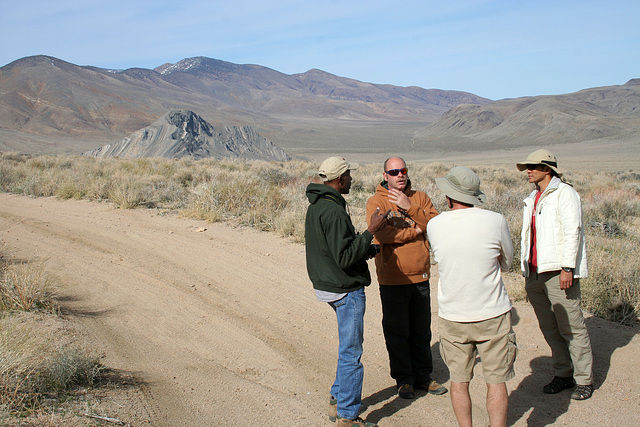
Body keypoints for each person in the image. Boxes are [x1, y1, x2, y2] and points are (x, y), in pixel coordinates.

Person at [427, 166, 516, 427]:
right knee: (496, 380)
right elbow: (507, 261)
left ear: (449, 196)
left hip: (453, 315)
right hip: (492, 312)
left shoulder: (435, 225)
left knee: (459, 379)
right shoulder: (496, 220)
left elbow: (439, 258)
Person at [305, 156, 390, 427]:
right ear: (339, 179)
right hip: (345, 288)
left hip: (328, 284)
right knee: (351, 352)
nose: (352, 179)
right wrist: (370, 233)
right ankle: (347, 415)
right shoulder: (332, 210)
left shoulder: (319, 206)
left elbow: (335, 248)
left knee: (347, 348)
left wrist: (366, 248)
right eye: (349, 175)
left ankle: (337, 398)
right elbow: (343, 257)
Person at [365, 157, 447, 399]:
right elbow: (381, 234)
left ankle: (423, 377)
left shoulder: (419, 198)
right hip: (393, 277)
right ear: (385, 175)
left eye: (403, 170)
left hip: (420, 275)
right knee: (397, 330)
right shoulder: (376, 201)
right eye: (394, 171)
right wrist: (415, 231)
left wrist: (409, 207)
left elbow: (436, 225)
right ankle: (404, 379)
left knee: (421, 330)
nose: (400, 175)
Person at [517, 149, 593, 401]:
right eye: (527, 166)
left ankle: (584, 380)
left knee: (572, 327)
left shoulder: (565, 194)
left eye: (533, 166)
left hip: (558, 271)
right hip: (535, 271)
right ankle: (564, 373)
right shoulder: (534, 196)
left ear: (547, 169)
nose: (528, 170)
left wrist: (568, 268)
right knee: (549, 327)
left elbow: (573, 231)